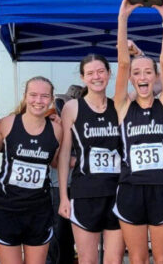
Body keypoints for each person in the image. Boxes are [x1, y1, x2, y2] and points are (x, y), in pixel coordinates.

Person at [112, 0, 163, 264]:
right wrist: (122, 19)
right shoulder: (123, 106)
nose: (142, 76)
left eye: (147, 72)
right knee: (138, 258)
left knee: (162, 258)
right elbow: (123, 63)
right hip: (130, 188)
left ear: (154, 77)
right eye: (137, 73)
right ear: (131, 79)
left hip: (162, 187)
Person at [57, 55, 125, 264]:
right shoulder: (73, 108)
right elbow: (65, 154)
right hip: (85, 193)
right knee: (88, 259)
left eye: (100, 71)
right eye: (90, 73)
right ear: (83, 77)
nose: (96, 77)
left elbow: (156, 86)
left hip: (117, 193)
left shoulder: (120, 106)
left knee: (114, 259)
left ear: (109, 73)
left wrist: (137, 54)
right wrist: (63, 197)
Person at [0, 76, 62, 264]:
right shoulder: (7, 123)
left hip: (39, 211)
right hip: (6, 208)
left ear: (51, 99)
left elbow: (55, 162)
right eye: (33, 95)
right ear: (25, 96)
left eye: (44, 96)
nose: (38, 101)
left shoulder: (56, 130)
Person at [47, 85, 82, 264]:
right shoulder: (55, 119)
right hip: (58, 185)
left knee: (68, 237)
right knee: (57, 236)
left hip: (77, 185)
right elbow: (54, 157)